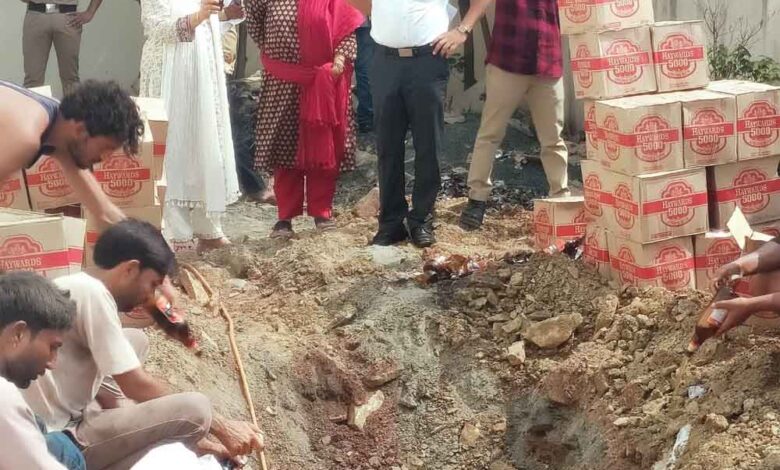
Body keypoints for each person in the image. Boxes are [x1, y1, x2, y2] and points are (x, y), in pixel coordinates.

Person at [23, 219, 264, 470]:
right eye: (151, 284)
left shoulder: (80, 284)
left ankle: (121, 426)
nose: (150, 297)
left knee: (135, 340)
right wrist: (223, 426)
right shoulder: (92, 295)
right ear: (130, 269)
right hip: (57, 440)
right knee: (198, 408)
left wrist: (210, 446)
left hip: (64, 411)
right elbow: (135, 384)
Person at [444, 0, 569, 230]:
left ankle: (561, 200)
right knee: (490, 134)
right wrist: (463, 29)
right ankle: (477, 199)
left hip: (548, 62)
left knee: (553, 139)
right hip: (508, 60)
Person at [245, 0, 364, 238]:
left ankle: (322, 213)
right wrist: (280, 56)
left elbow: (346, 29)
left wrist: (340, 58)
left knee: (323, 150)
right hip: (281, 80)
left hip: (323, 82)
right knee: (284, 149)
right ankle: (284, 218)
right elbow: (256, 25)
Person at [348, 0, 455, 248]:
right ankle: (391, 223)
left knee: (428, 145)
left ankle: (421, 220)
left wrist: (462, 30)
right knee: (388, 146)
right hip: (385, 61)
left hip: (428, 60)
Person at [139, 0, 243, 253]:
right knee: (173, 144)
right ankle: (176, 232)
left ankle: (208, 228)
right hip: (170, 72)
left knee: (205, 141)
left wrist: (226, 13)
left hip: (203, 70)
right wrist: (199, 16)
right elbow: (156, 28)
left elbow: (212, 25)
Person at [0, 79, 142, 228]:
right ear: (80, 130)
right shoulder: (25, 136)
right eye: (105, 148)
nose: (105, 158)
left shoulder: (60, 126)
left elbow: (105, 213)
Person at [0, 271, 83, 470]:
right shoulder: (3, 397)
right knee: (64, 449)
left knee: (44, 430)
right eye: (52, 347)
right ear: (18, 334)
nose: (52, 363)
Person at [222, 22, 275, 205]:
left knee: (239, 131)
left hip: (235, 76)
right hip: (218, 72)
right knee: (237, 131)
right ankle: (253, 187)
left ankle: (253, 186)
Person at [22, 0, 105, 95]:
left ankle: (72, 105)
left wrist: (90, 13)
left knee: (70, 78)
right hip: (36, 13)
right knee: (32, 79)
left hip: (68, 16)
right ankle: (32, 105)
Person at [355, 18, 375, 134]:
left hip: (362, 21)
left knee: (364, 69)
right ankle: (367, 116)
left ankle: (366, 117)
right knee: (365, 70)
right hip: (365, 21)